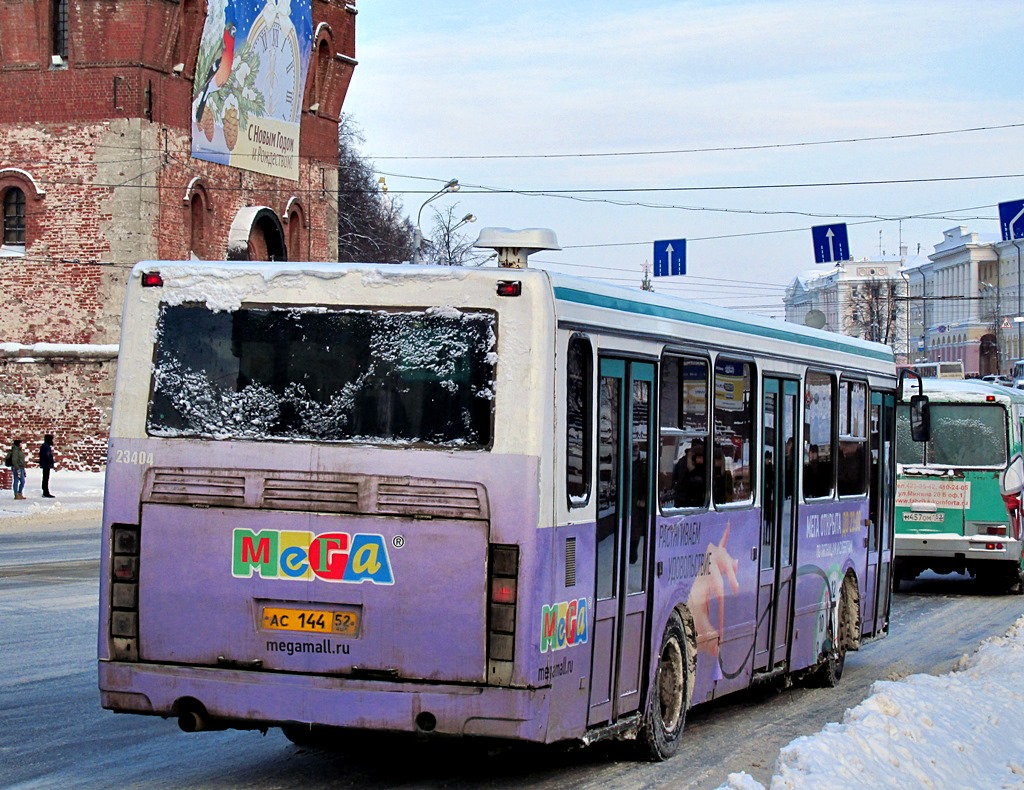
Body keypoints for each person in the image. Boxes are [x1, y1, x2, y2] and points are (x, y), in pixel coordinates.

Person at [39, 434, 55, 498]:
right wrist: (51, 461)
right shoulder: (46, 447)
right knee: (46, 478)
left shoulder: (44, 446)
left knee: (45, 478)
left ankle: (45, 491)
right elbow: (47, 455)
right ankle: (45, 492)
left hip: (44, 464)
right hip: (46, 464)